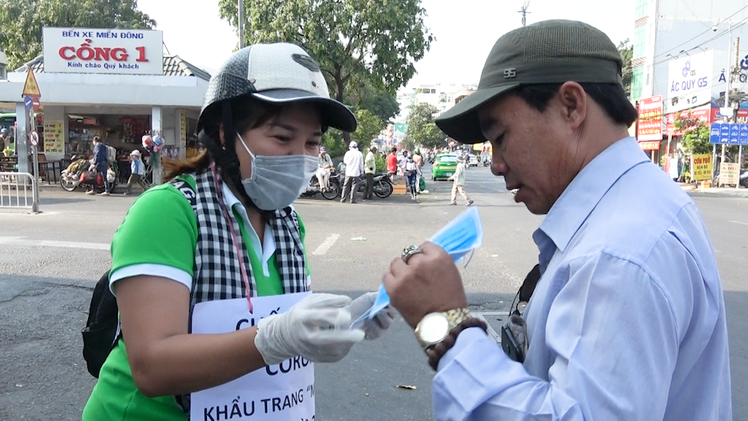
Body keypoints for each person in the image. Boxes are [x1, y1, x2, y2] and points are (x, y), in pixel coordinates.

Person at [382, 20, 731, 420]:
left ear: (571, 106)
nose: (495, 164)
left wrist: (447, 325)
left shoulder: (616, 254)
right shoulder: (646, 202)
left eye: (501, 136)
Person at [82, 42, 395, 421]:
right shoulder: (169, 211)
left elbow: (284, 327)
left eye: (312, 142)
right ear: (225, 133)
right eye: (282, 138)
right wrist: (276, 339)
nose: (301, 156)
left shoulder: (289, 223)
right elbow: (152, 366)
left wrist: (339, 326)